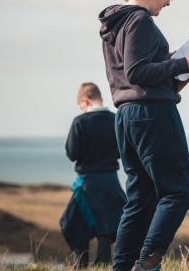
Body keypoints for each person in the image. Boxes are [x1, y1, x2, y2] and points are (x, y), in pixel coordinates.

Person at [99, 0, 189, 271]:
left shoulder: (117, 22)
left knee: (141, 199)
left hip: (126, 117)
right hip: (152, 114)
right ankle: (148, 262)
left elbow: (131, 70)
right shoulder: (139, 20)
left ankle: (123, 267)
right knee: (177, 193)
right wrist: (183, 64)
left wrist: (168, 60)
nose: (169, 3)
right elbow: (137, 72)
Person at [60, 82, 127, 268]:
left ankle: (80, 265)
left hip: (87, 183)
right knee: (106, 224)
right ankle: (104, 264)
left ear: (84, 100)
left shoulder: (79, 122)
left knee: (75, 222)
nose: (81, 110)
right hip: (110, 181)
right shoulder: (116, 119)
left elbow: (72, 154)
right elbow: (121, 153)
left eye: (81, 106)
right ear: (101, 99)